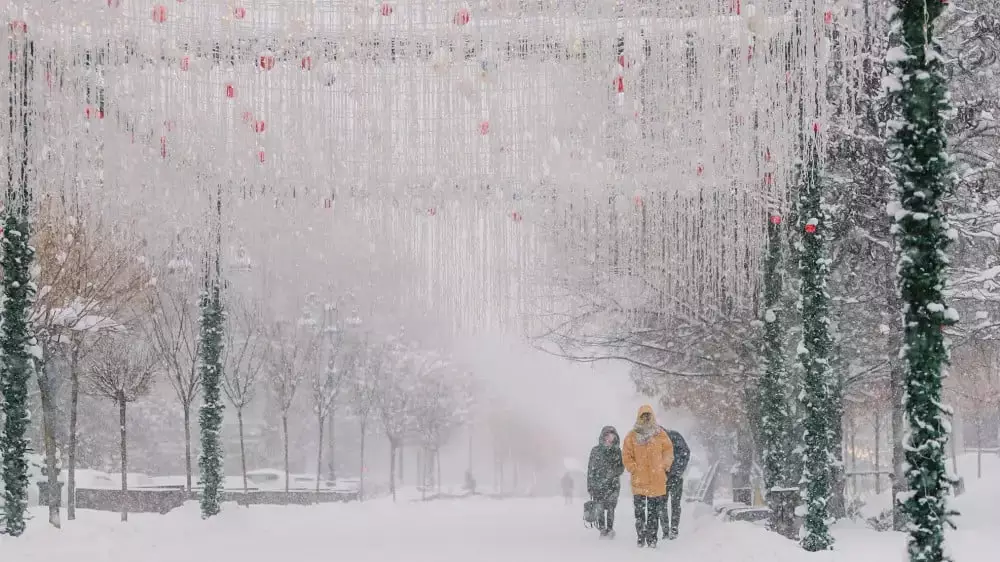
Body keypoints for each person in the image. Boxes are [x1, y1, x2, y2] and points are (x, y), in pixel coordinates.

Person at [622, 405, 674, 548]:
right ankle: (641, 537)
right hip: (639, 480)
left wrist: (663, 466)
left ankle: (652, 539)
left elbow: (668, 451)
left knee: (653, 513)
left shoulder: (660, 434)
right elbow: (626, 455)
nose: (646, 419)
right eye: (643, 416)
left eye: (648, 416)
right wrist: (633, 468)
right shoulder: (631, 436)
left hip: (656, 480)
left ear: (652, 417)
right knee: (639, 513)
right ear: (639, 417)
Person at [587, 426, 624, 538]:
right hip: (598, 485)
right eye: (607, 436)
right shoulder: (595, 450)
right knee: (600, 508)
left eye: (612, 436)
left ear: (615, 438)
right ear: (603, 437)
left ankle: (610, 529)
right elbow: (590, 469)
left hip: (613, 485)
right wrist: (590, 485)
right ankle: (602, 530)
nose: (609, 439)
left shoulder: (617, 451)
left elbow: (621, 468)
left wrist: (612, 473)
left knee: (611, 507)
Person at [659, 428, 690, 539]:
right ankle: (666, 530)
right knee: (663, 504)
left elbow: (685, 453)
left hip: (675, 477)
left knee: (673, 504)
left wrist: (676, 470)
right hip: (664, 477)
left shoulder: (675, 436)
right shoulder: (657, 441)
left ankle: (673, 529)